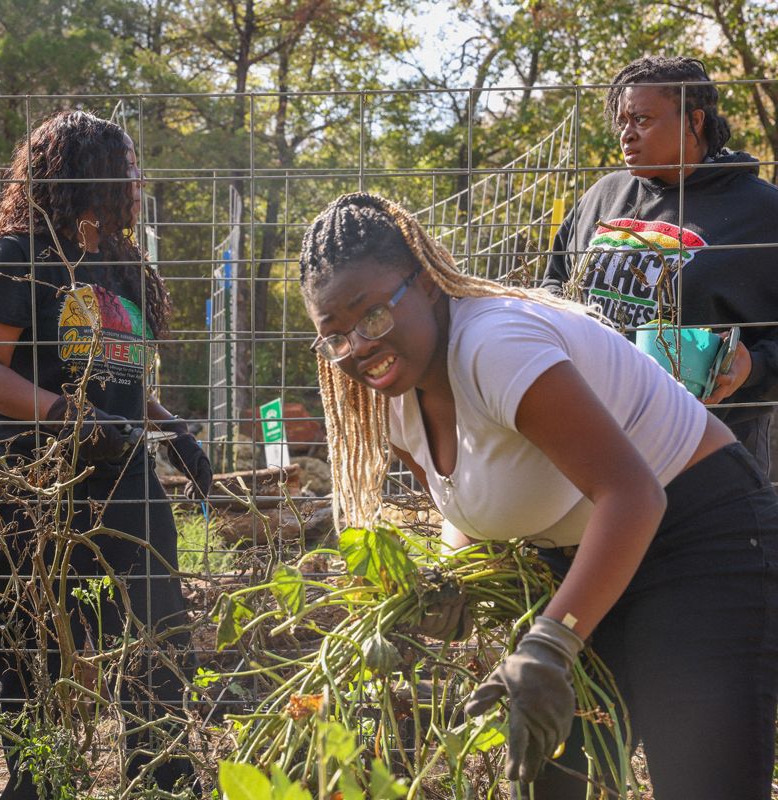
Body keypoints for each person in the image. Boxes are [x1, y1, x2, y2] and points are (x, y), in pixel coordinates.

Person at [300, 192, 778, 799]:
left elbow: (633, 496)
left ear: (423, 284)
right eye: (334, 336)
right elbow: (463, 507)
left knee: (701, 781)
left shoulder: (495, 346)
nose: (358, 347)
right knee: (551, 776)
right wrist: (455, 573)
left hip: (698, 535)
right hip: (583, 552)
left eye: (370, 316)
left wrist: (554, 640)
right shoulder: (389, 394)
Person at [0, 110, 208, 798]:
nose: (136, 179)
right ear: (79, 173)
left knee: (159, 629)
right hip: (30, 480)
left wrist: (173, 429)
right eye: (123, 165)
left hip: (122, 472)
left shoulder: (123, 261)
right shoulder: (22, 254)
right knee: (28, 636)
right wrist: (69, 418)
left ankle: (159, 773)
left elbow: (118, 374)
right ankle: (33, 778)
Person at [543, 55, 778, 474]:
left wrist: (751, 366)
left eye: (642, 120)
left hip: (710, 455)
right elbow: (554, 282)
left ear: (694, 121)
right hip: (597, 439)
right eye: (622, 122)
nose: (626, 135)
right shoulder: (603, 195)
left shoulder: (761, 212)